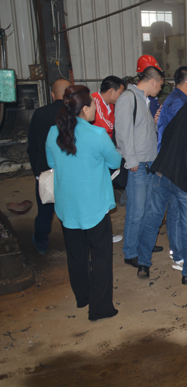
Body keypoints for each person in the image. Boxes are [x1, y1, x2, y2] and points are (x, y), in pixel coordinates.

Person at [45, 85, 122, 320]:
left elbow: (52, 163)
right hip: (94, 206)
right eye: (93, 105)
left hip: (67, 206)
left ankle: (83, 297)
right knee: (100, 256)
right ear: (85, 109)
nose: (95, 109)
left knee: (76, 254)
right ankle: (100, 308)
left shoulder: (53, 133)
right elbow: (115, 161)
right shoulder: (97, 134)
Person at [135, 97, 187, 282]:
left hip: (162, 173)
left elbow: (164, 138)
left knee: (152, 219)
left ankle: (143, 263)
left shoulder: (179, 118)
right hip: (184, 180)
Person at [115, 66, 164, 267]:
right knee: (136, 212)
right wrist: (131, 160)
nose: (160, 89)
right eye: (160, 85)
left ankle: (144, 245)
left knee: (147, 209)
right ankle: (130, 252)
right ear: (152, 81)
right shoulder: (128, 98)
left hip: (149, 164)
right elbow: (123, 132)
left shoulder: (145, 100)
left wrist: (155, 121)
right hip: (138, 165)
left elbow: (143, 131)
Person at [154, 66, 187, 266]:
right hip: (175, 164)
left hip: (170, 163)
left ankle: (180, 250)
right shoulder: (178, 104)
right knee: (178, 212)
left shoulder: (176, 100)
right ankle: (180, 254)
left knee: (176, 209)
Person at [27, 78, 71, 254]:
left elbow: (32, 146)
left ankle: (41, 243)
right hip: (69, 171)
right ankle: (72, 244)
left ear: (52, 94)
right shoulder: (74, 113)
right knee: (68, 211)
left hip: (45, 171)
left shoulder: (40, 114)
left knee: (45, 209)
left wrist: (37, 172)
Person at [91, 75, 127, 244]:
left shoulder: (110, 106)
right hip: (95, 157)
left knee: (104, 194)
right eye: (120, 92)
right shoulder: (94, 101)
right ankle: (99, 234)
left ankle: (103, 232)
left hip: (104, 154)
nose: (121, 96)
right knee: (97, 195)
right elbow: (107, 126)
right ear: (111, 91)